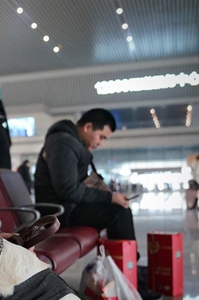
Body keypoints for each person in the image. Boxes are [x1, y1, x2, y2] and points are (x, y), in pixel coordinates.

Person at [34, 108, 161, 300]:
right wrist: (109, 198)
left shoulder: (72, 142)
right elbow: (67, 189)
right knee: (118, 212)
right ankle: (128, 277)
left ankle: (129, 271)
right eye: (101, 137)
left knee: (119, 210)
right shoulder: (63, 142)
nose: (100, 143)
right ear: (88, 127)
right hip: (59, 213)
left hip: (68, 208)